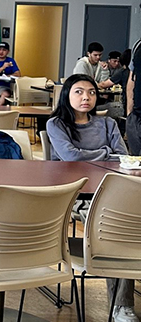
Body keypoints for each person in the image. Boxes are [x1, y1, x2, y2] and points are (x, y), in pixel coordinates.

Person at [46, 74, 136, 322]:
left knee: (125, 224)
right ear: (67, 94)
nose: (86, 97)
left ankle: (121, 303)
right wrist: (105, 152)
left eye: (92, 92)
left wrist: (100, 154)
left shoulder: (108, 124)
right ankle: (122, 306)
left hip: (110, 193)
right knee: (116, 227)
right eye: (79, 92)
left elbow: (122, 156)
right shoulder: (57, 124)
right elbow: (71, 157)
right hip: (74, 196)